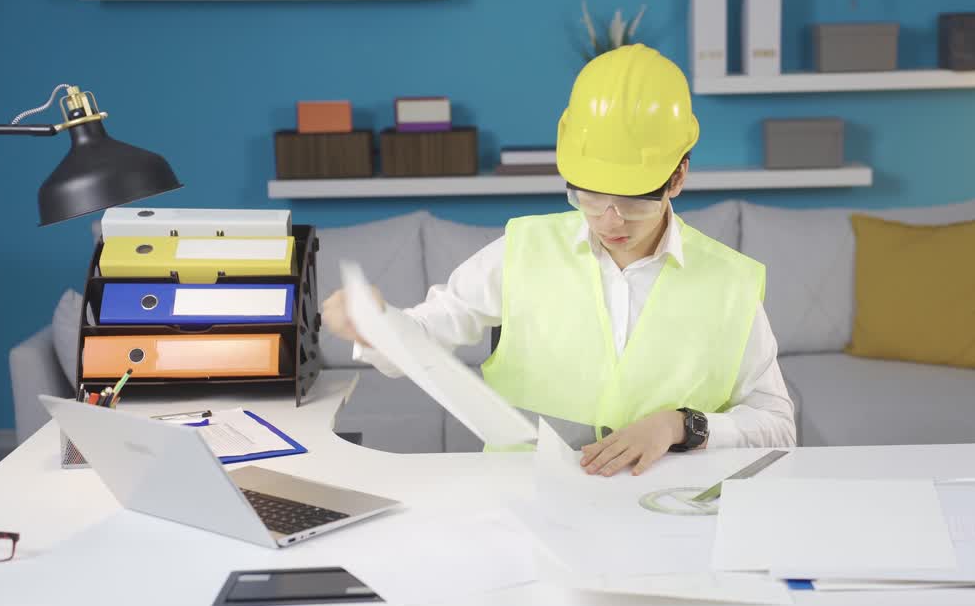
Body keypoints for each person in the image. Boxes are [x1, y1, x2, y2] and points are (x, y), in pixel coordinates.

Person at [322, 44, 795, 476]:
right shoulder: (521, 249)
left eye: (632, 200)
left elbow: (778, 425)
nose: (610, 219)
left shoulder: (730, 283)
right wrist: (375, 323)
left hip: (668, 511)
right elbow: (429, 330)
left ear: (677, 178)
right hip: (524, 504)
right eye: (589, 197)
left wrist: (680, 426)